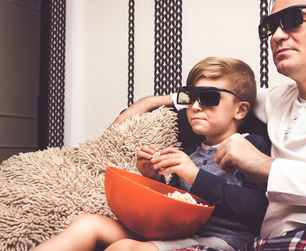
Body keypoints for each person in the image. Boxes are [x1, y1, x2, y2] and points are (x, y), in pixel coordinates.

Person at [110, 0, 306, 250]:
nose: (277, 35)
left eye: (294, 19)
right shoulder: (275, 99)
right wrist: (147, 103)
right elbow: (212, 93)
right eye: (271, 26)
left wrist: (267, 168)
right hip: (273, 242)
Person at [32, 57, 269, 251]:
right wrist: (153, 179)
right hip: (179, 232)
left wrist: (196, 176)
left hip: (222, 240)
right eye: (190, 96)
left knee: (125, 249)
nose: (195, 106)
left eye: (209, 97)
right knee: (86, 223)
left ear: (240, 110)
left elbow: (256, 209)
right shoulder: (189, 153)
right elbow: (177, 206)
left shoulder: (251, 146)